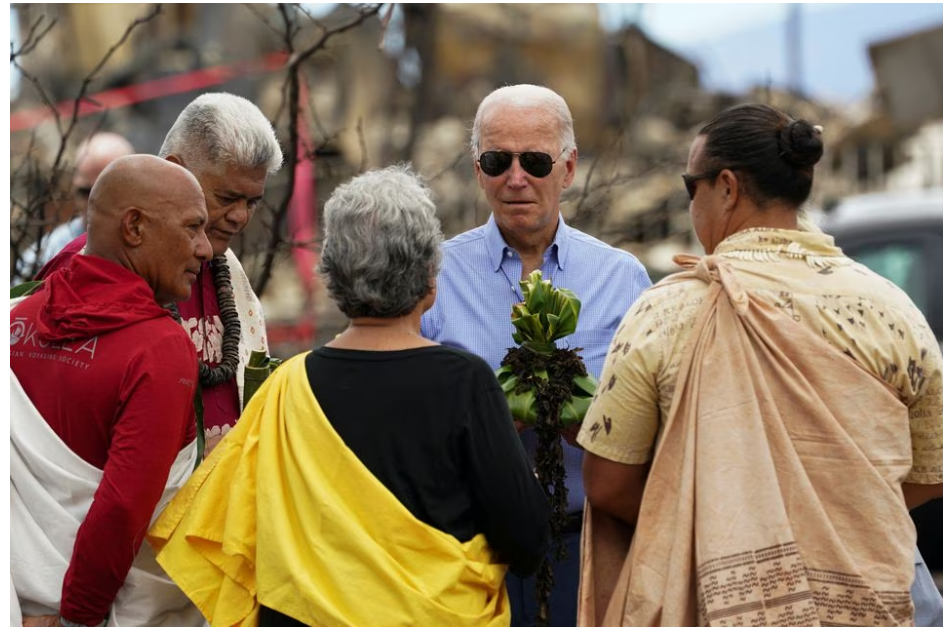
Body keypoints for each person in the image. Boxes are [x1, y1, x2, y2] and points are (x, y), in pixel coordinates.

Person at [577, 103, 943, 626]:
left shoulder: (668, 312)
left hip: (720, 600)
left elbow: (607, 481)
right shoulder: (892, 309)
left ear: (726, 187)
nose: (689, 205)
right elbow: (932, 472)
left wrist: (721, 527)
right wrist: (838, 518)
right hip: (870, 598)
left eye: (690, 187)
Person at [148, 164, 551, 626]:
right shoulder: (466, 384)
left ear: (331, 277)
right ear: (429, 277)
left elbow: (232, 535)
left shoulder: (285, 389)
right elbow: (526, 539)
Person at [420, 84, 652, 626]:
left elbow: (659, 426)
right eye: (498, 160)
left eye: (536, 161)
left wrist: (594, 427)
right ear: (478, 169)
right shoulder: (435, 278)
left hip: (591, 544)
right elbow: (411, 420)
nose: (516, 178)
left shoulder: (623, 281)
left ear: (568, 169)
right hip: (472, 555)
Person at [10, 155, 213, 627]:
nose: (205, 248)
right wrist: (77, 618)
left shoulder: (13, 321)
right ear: (134, 227)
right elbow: (122, 509)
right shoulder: (159, 350)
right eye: (192, 228)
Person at [36, 92, 284, 457]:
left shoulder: (224, 266)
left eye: (252, 202)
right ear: (175, 170)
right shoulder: (84, 270)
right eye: (228, 198)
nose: (241, 217)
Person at [12, 132, 134, 283]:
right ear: (73, 187)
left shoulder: (153, 252)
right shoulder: (48, 255)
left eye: (106, 193)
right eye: (85, 192)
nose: (93, 203)